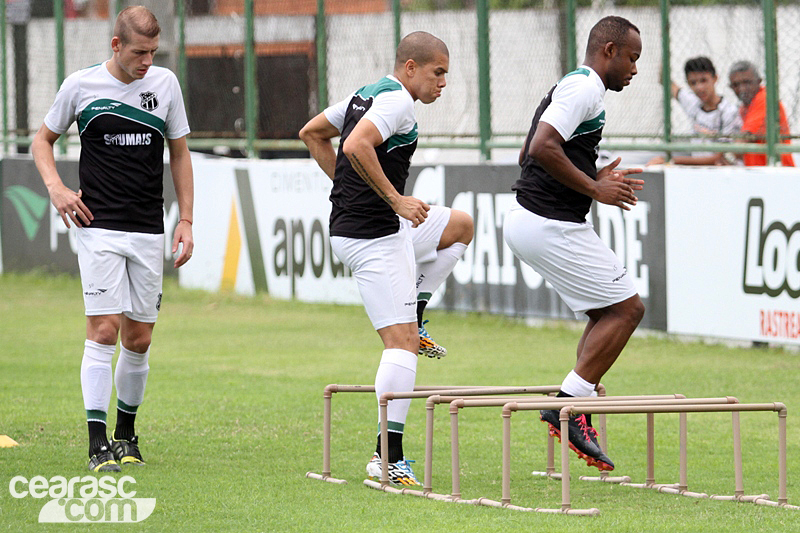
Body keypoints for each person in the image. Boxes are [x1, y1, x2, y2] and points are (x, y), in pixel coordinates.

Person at [299, 31, 473, 486]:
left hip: (378, 228)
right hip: (373, 236)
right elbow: (356, 146)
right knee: (402, 345)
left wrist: (352, 189)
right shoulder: (397, 101)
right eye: (438, 73)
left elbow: (312, 133)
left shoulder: (368, 92)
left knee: (459, 226)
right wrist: (394, 199)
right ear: (411, 68)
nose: (443, 83)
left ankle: (417, 310)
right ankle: (387, 459)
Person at [31, 6, 194, 472]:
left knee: (139, 340)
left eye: (153, 53)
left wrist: (186, 219)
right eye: (139, 52)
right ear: (116, 46)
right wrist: (57, 189)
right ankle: (96, 441)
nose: (147, 61)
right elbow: (41, 141)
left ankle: (126, 432)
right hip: (97, 226)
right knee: (104, 330)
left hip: (148, 228)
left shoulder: (165, 85)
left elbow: (180, 153)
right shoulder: (80, 85)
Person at [503, 15, 645, 472]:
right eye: (632, 57)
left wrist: (594, 177)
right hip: (548, 222)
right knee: (628, 309)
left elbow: (537, 150)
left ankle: (575, 403)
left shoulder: (579, 87)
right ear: (608, 50)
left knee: (608, 312)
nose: (635, 69)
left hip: (539, 219)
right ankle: (569, 405)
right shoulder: (584, 86)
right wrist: (594, 188)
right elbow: (542, 146)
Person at [648, 56, 741, 166]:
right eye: (693, 83)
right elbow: (665, 81)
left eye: (704, 80)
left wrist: (672, 160)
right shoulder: (694, 104)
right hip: (697, 171)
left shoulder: (729, 112)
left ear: (715, 78)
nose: (699, 87)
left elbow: (720, 158)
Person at [728, 60, 794, 167]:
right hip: (761, 171)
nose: (742, 89)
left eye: (747, 82)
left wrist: (724, 154)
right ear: (730, 87)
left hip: (776, 172)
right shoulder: (745, 107)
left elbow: (740, 146)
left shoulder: (764, 99)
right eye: (736, 84)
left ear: (759, 81)